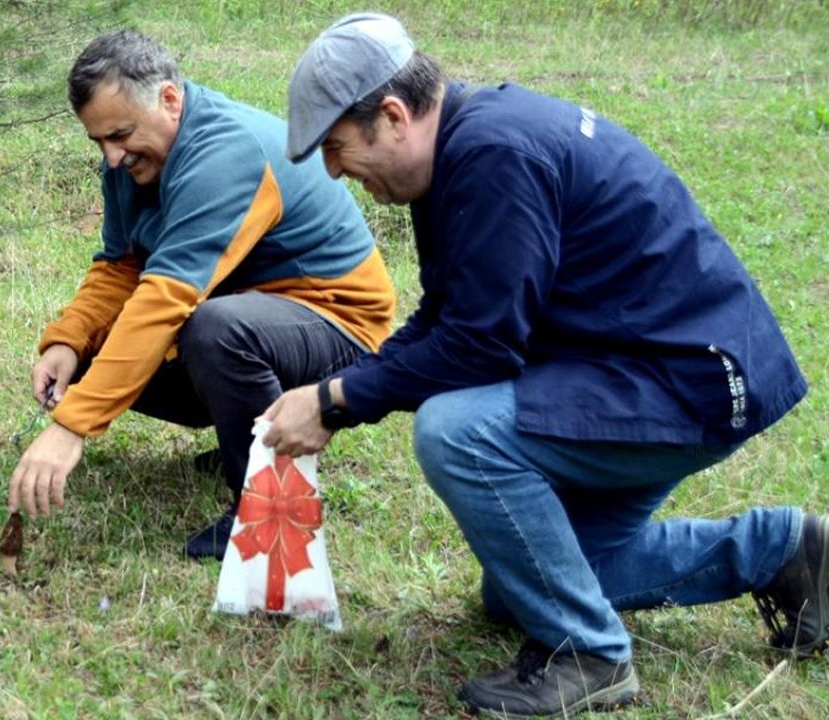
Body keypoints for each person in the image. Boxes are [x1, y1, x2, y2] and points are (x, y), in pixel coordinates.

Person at [264, 12, 820, 718]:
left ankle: (586, 655)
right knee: (520, 586)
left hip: (690, 385)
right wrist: (332, 390)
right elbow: (448, 315)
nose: (336, 171)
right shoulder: (468, 146)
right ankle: (781, 551)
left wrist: (340, 399)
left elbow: (479, 348)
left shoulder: (496, 154)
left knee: (456, 431)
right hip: (649, 371)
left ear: (394, 115)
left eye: (337, 148)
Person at [7, 30, 396, 561]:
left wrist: (72, 426)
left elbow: (165, 300)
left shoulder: (224, 153)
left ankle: (263, 501)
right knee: (101, 345)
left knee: (214, 329)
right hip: (253, 312)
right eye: (98, 141)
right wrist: (69, 343)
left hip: (336, 326)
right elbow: (122, 267)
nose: (112, 156)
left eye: (119, 135)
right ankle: (251, 431)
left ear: (170, 99)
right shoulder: (133, 158)